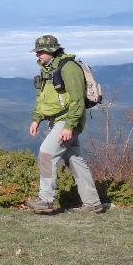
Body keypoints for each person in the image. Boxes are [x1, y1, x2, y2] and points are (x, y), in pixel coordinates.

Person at [25, 34, 104, 214]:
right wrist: (37, 119)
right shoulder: (47, 69)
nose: (37, 55)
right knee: (74, 160)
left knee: (46, 154)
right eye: (37, 52)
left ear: (52, 50)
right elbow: (42, 98)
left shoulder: (69, 68)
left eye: (41, 51)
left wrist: (69, 126)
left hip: (68, 120)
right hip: (58, 121)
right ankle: (93, 203)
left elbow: (77, 100)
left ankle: (46, 200)